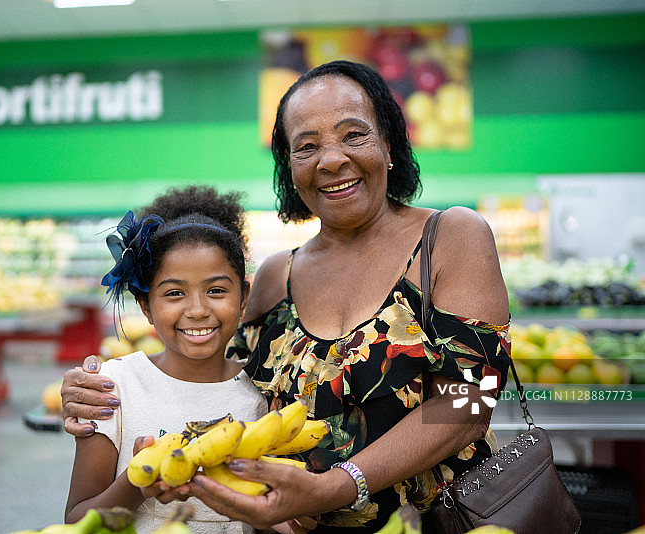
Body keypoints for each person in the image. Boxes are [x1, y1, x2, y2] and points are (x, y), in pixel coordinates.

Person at [60, 60, 511, 533]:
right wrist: (95, 389)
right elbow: (214, 379)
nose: (331, 160)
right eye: (307, 146)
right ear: (290, 167)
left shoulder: (451, 237)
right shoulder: (278, 276)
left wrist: (339, 484)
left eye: (353, 135)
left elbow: (469, 404)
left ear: (390, 144)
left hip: (438, 522)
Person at [64, 186, 269, 533]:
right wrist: (136, 482)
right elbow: (76, 520)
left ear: (244, 296)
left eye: (216, 290)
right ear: (146, 306)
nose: (198, 310)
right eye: (174, 293)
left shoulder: (265, 392)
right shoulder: (113, 389)